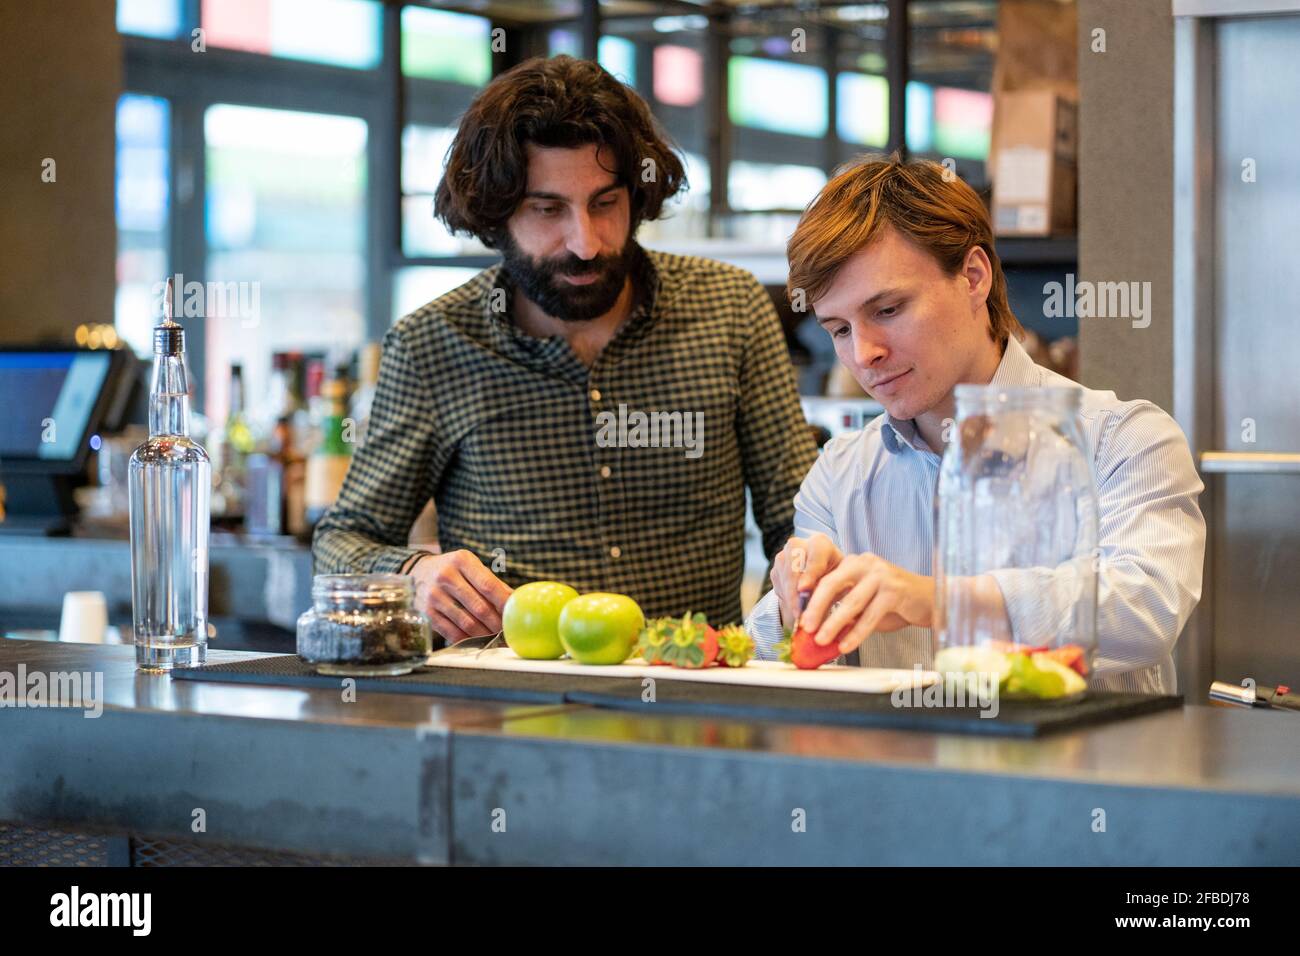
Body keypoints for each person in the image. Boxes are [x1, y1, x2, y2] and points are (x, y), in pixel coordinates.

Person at [313, 56, 817, 643]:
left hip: (694, 694)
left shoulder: (729, 309)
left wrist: (792, 599)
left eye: (605, 203)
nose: (585, 242)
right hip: (506, 703)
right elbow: (341, 542)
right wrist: (413, 574)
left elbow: (797, 519)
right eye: (548, 209)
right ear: (496, 212)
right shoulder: (434, 344)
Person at [746, 157, 1205, 694]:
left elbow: (1145, 609)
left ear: (973, 276)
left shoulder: (1123, 439)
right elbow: (774, 654)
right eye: (839, 329)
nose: (864, 354)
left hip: (1080, 774)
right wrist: (792, 601)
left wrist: (936, 599)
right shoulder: (840, 471)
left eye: (888, 310)